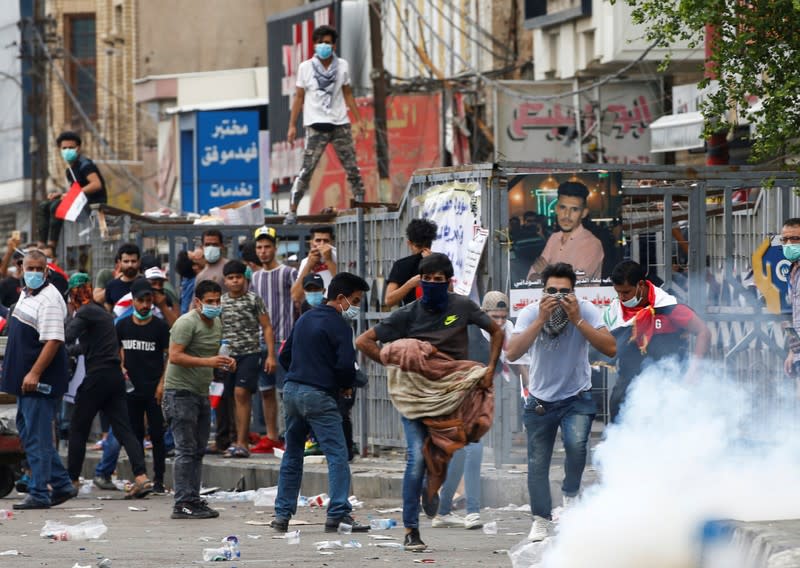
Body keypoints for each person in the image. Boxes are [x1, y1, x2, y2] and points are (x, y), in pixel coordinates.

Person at [356, 253, 504, 552]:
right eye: (428, 280)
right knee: (416, 458)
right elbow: (363, 341)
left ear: (448, 282)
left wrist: (490, 368)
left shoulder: (461, 306)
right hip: (413, 397)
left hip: (451, 395)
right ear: (420, 282)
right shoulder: (407, 314)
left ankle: (431, 488)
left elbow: (497, 331)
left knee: (445, 456)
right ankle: (411, 530)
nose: (434, 284)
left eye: (439, 280)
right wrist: (394, 363)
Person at [505, 262, 617, 542]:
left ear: (574, 292)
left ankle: (570, 495)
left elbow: (610, 347)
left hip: (576, 396)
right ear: (542, 291)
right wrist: (540, 320)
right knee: (538, 462)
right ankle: (541, 519)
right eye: (551, 290)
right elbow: (513, 352)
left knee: (577, 446)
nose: (557, 297)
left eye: (564, 291)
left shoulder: (586, 309)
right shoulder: (531, 312)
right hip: (541, 399)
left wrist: (578, 319)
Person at [272, 272, 371, 533]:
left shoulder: (305, 318)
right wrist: (346, 385)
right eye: (356, 301)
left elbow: (284, 355)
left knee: (292, 455)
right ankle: (338, 512)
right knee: (337, 455)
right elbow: (344, 366)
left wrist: (301, 370)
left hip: (291, 391)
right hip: (319, 395)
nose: (357, 307)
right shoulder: (340, 326)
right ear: (341, 299)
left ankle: (282, 515)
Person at [431, 291, 528, 530]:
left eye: (504, 316)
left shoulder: (507, 331)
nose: (499, 321)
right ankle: (473, 511)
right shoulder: (468, 331)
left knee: (462, 453)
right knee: (474, 448)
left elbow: (515, 362)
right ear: (483, 314)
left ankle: (442, 511)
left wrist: (530, 388)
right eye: (494, 316)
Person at [63, 273, 154, 499]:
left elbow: (67, 336)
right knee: (124, 428)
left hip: (97, 376)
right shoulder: (102, 313)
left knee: (78, 428)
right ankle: (141, 477)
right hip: (114, 377)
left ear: (74, 294)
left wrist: (49, 338)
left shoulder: (84, 312)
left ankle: (71, 481)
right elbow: (85, 346)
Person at [0, 249, 77, 509]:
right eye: (28, 268)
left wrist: (34, 372)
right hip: (23, 382)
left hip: (39, 382)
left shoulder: (50, 299)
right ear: (22, 269)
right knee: (31, 434)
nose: (32, 273)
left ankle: (39, 492)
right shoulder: (26, 294)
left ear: (46, 271)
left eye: (37, 269)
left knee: (37, 437)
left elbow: (54, 340)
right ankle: (62, 484)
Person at [163, 279, 236, 519]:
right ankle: (182, 502)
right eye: (210, 302)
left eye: (218, 301)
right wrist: (209, 362)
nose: (215, 305)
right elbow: (175, 356)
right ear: (197, 302)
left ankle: (193, 499)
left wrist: (225, 361)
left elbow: (212, 354)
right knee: (185, 449)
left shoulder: (216, 322)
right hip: (179, 393)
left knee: (197, 450)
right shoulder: (186, 323)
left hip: (201, 391)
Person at [604, 260, 710, 421]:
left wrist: (694, 369)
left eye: (626, 292)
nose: (621, 297)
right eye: (618, 292)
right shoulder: (616, 311)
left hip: (667, 382)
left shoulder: (668, 307)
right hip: (628, 383)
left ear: (640, 285)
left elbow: (703, 332)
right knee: (617, 412)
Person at [284, 24, 366, 224]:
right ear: (314, 44)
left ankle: (362, 207)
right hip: (315, 125)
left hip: (340, 124)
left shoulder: (343, 66)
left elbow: (347, 93)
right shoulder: (306, 68)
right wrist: (292, 125)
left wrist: (358, 118)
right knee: (306, 170)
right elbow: (299, 97)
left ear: (334, 45)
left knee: (352, 168)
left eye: (327, 43)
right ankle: (292, 211)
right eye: (320, 42)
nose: (324, 46)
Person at [97, 279, 170, 494]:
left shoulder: (159, 327)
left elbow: (169, 357)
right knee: (135, 436)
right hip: (131, 390)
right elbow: (116, 350)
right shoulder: (123, 325)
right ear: (133, 301)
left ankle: (158, 479)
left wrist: (162, 384)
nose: (145, 305)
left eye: (148, 301)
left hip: (154, 390)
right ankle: (141, 478)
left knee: (157, 436)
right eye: (141, 301)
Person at [219, 260, 277, 458]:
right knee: (231, 398)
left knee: (241, 393)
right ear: (225, 281)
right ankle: (236, 440)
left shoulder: (254, 299)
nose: (235, 281)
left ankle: (243, 443)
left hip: (250, 353)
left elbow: (267, 327)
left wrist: (270, 355)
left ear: (245, 278)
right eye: (231, 278)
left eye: (238, 277)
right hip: (227, 356)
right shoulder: (221, 302)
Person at [249, 226, 296, 454]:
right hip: (260, 340)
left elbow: (298, 298)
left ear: (275, 248)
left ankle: (290, 436)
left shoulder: (288, 272)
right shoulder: (255, 277)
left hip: (284, 340)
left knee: (285, 392)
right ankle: (271, 435)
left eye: (267, 246)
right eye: (259, 247)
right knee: (265, 391)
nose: (263, 251)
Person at [36, 131, 108, 248]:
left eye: (71, 147)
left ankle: (52, 245)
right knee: (44, 205)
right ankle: (41, 244)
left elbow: (96, 184)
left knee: (56, 206)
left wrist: (71, 196)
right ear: (59, 149)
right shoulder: (70, 170)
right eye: (64, 148)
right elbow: (76, 190)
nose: (67, 151)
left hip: (93, 202)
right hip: (82, 201)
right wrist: (61, 195)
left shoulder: (85, 164)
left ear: (78, 148)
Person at [527, 182, 604, 282]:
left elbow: (572, 284)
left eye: (574, 209)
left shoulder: (592, 244)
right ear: (556, 209)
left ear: (584, 213)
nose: (567, 215)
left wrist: (545, 272)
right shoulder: (554, 238)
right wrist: (550, 276)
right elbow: (530, 277)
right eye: (563, 207)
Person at [384, 219, 438, 307]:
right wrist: (410, 284)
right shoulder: (403, 265)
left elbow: (389, 301)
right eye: (419, 246)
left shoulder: (440, 262)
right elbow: (389, 300)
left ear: (409, 243)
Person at [290, 226, 337, 305]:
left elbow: (344, 286)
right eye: (318, 240)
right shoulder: (306, 261)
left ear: (331, 243)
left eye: (326, 241)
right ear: (311, 243)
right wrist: (309, 265)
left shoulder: (337, 257)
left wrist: (328, 260)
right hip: (313, 308)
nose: (322, 244)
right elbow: (295, 296)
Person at [783, 218, 800, 378]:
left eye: (795, 238)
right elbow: (795, 316)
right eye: (785, 239)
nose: (789, 243)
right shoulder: (792, 273)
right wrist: (792, 353)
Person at [104, 243, 142, 310]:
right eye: (126, 261)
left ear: (139, 262)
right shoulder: (112, 286)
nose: (130, 265)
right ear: (119, 263)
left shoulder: (146, 283)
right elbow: (108, 313)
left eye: (133, 261)